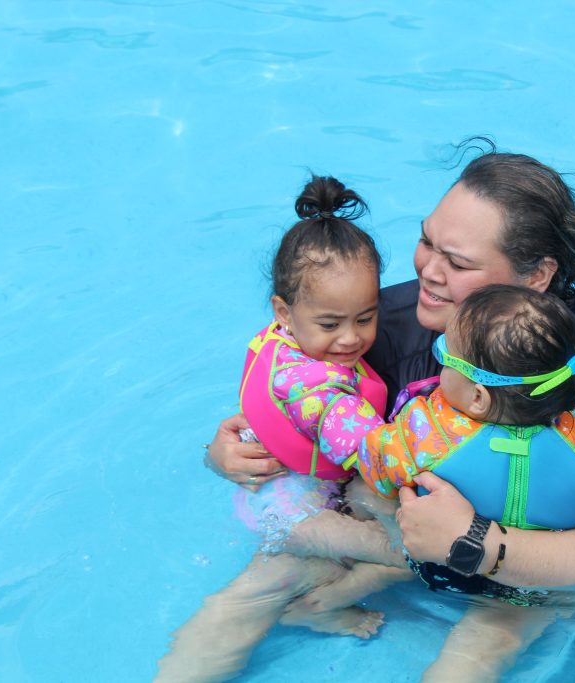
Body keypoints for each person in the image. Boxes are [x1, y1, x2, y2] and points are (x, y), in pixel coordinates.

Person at [200, 142, 575, 679]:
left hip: (527, 570)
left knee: (490, 637)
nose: (428, 271)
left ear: (536, 276)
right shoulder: (394, 320)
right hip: (408, 530)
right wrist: (234, 452)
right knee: (259, 585)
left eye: (458, 262)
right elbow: (303, 370)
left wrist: (475, 545)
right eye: (427, 242)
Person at [155, 176, 411, 683]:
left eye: (365, 318)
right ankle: (319, 606)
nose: (351, 338)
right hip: (291, 510)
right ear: (283, 312)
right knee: (406, 553)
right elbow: (358, 440)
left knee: (317, 567)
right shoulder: (308, 384)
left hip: (291, 493)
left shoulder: (284, 342)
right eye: (331, 324)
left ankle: (318, 609)